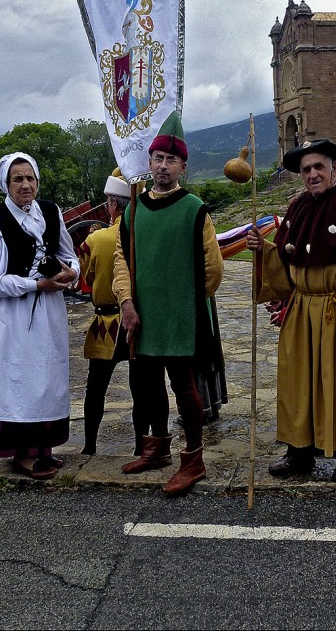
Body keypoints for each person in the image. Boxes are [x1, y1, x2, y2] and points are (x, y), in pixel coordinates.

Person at [245, 138, 336, 483]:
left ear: (334, 168)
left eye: (318, 167)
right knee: (298, 384)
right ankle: (299, 453)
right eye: (306, 169)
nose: (312, 174)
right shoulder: (297, 208)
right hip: (301, 312)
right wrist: (263, 249)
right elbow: (286, 262)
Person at [113, 110, 224, 496]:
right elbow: (122, 259)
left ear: (182, 167)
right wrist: (126, 301)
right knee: (148, 385)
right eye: (158, 158)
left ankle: (193, 460)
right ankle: (157, 448)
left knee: (183, 385)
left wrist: (185, 300)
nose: (163, 165)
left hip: (181, 315)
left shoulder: (195, 209)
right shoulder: (134, 209)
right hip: (142, 314)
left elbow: (213, 268)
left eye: (171, 160)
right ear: (149, 162)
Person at [0, 153, 79, 479]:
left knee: (46, 377)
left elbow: (69, 254)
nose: (26, 185)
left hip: (49, 312)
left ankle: (43, 448)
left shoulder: (50, 212)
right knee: (19, 379)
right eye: (18, 179)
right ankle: (22, 453)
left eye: (30, 178)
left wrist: (70, 272)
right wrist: (36, 284)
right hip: (12, 316)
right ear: (6, 184)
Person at [76, 168, 138, 456]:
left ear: (113, 204)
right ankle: (142, 446)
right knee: (141, 388)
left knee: (96, 388)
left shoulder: (95, 239)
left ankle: (89, 446)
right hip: (137, 322)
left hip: (106, 323)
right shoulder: (140, 234)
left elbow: (87, 279)